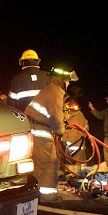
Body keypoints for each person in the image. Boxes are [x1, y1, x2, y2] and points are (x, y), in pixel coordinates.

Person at [25, 65, 78, 204]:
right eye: (68, 81)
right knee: (49, 164)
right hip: (41, 133)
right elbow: (56, 118)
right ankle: (48, 197)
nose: (69, 84)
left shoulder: (49, 90)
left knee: (38, 165)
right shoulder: (55, 93)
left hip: (36, 130)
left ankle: (35, 195)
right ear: (62, 80)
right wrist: (61, 131)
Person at [61, 98, 88, 174]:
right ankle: (82, 174)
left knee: (74, 163)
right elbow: (86, 128)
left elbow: (70, 133)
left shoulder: (73, 119)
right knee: (81, 162)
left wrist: (64, 141)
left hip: (74, 146)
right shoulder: (80, 115)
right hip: (80, 144)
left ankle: (74, 175)